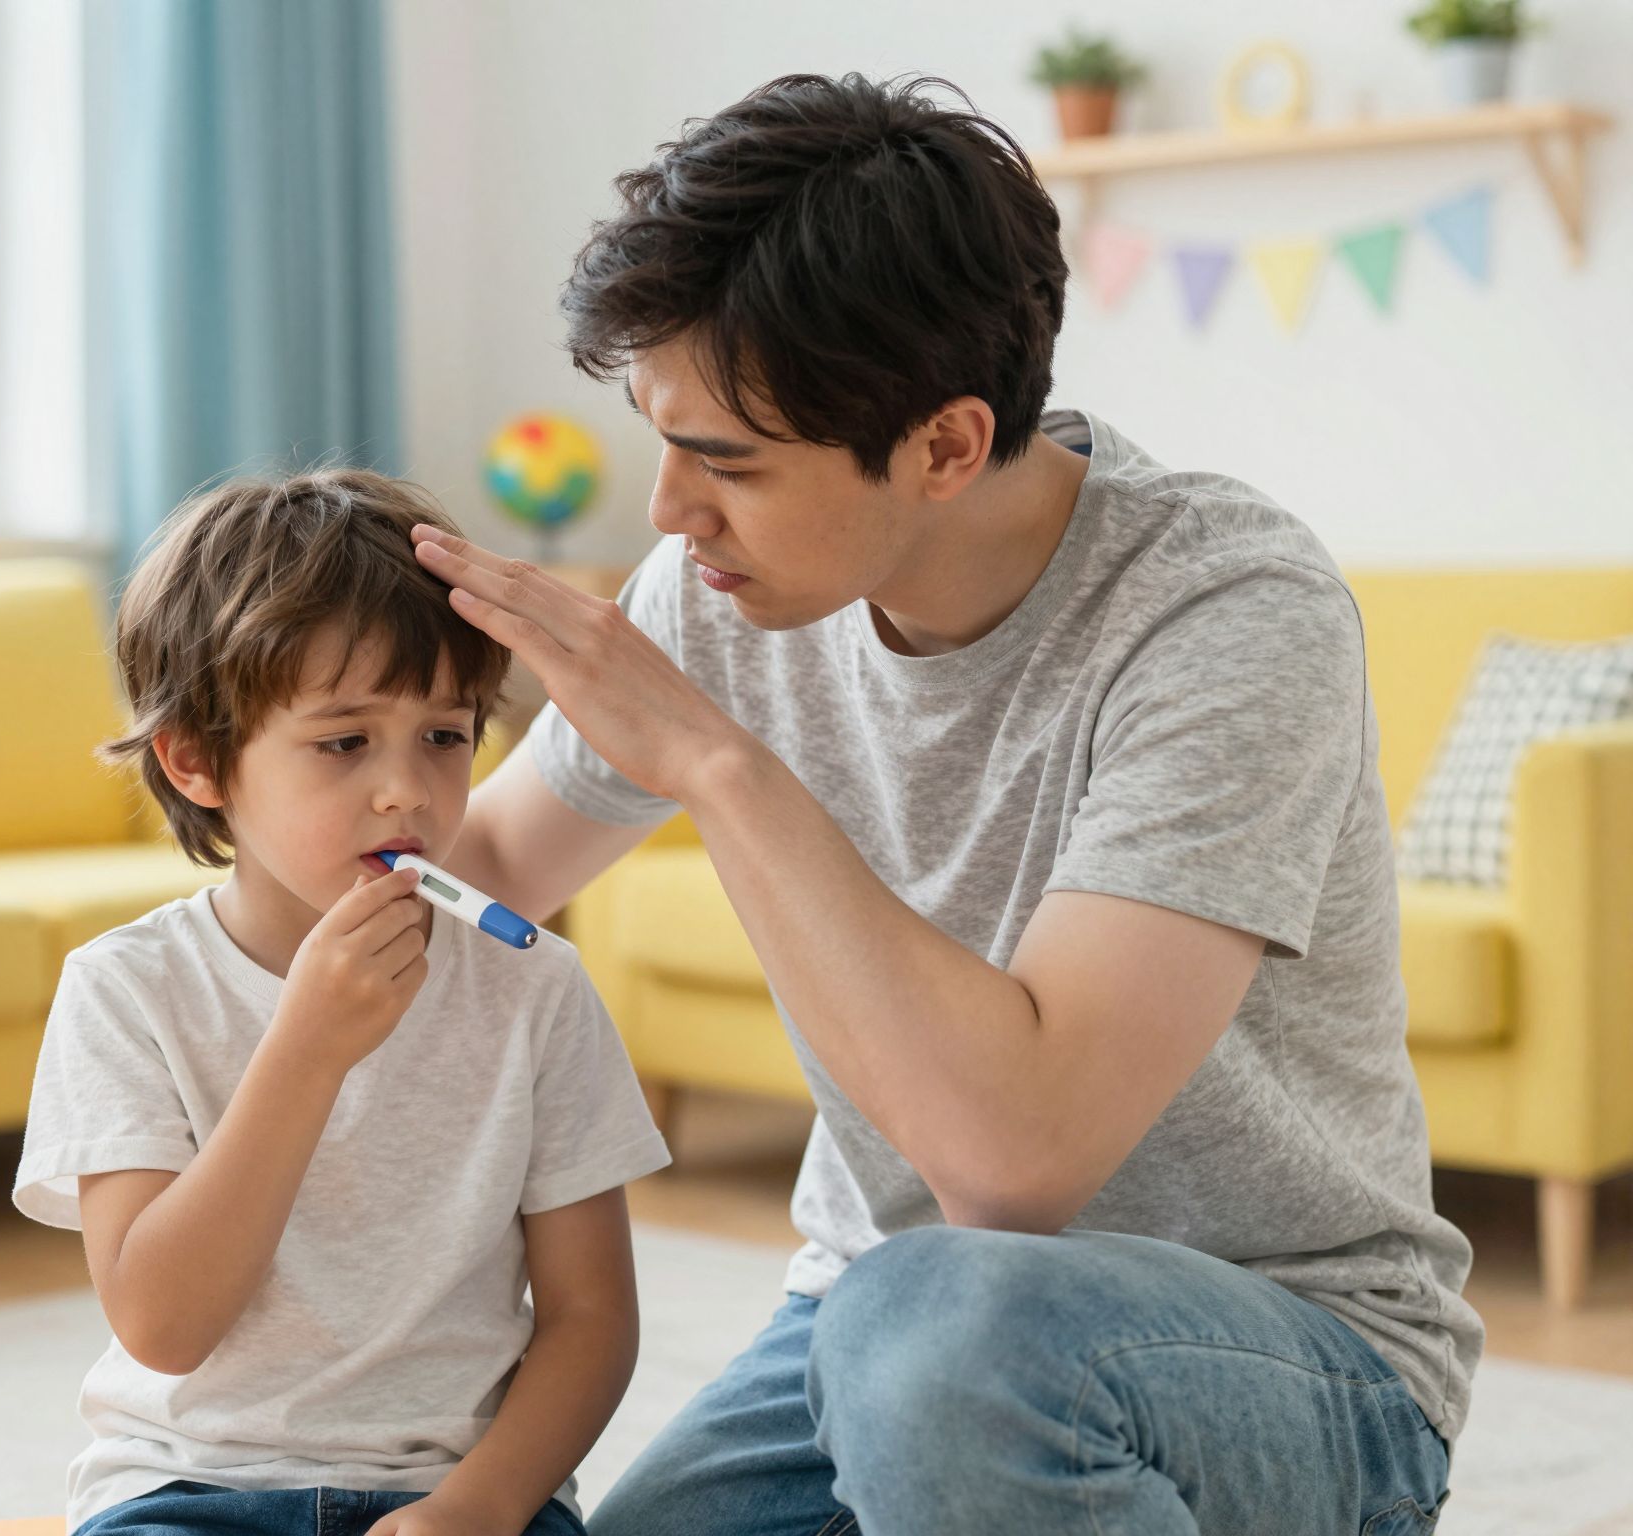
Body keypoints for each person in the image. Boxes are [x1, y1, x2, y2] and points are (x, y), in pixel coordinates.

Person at [421, 74, 1482, 1534]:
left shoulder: (1230, 613)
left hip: (1281, 1347)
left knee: (942, 1337)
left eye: (725, 461)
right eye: (662, 442)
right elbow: (477, 880)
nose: (668, 512)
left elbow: (1014, 1165)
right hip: (874, 1326)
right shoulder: (718, 589)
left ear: (944, 446)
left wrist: (720, 768)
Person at [11, 469, 669, 1536]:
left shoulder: (533, 986)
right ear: (196, 762)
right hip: (194, 1488)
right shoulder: (126, 991)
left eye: (445, 735)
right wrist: (305, 1050)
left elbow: (592, 1319)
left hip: (463, 1490)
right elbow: (162, 1325)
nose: (406, 788)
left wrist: (482, 1505)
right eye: (343, 741)